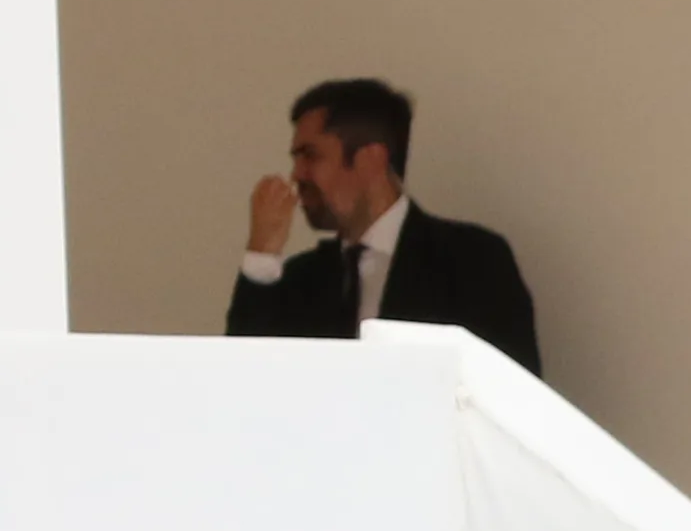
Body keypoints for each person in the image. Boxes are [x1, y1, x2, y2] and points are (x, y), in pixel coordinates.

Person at [227, 78, 542, 375]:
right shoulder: (303, 280)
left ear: (371, 159)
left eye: (310, 156)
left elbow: (512, 392)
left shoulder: (472, 261)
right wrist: (262, 254)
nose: (296, 176)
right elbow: (243, 382)